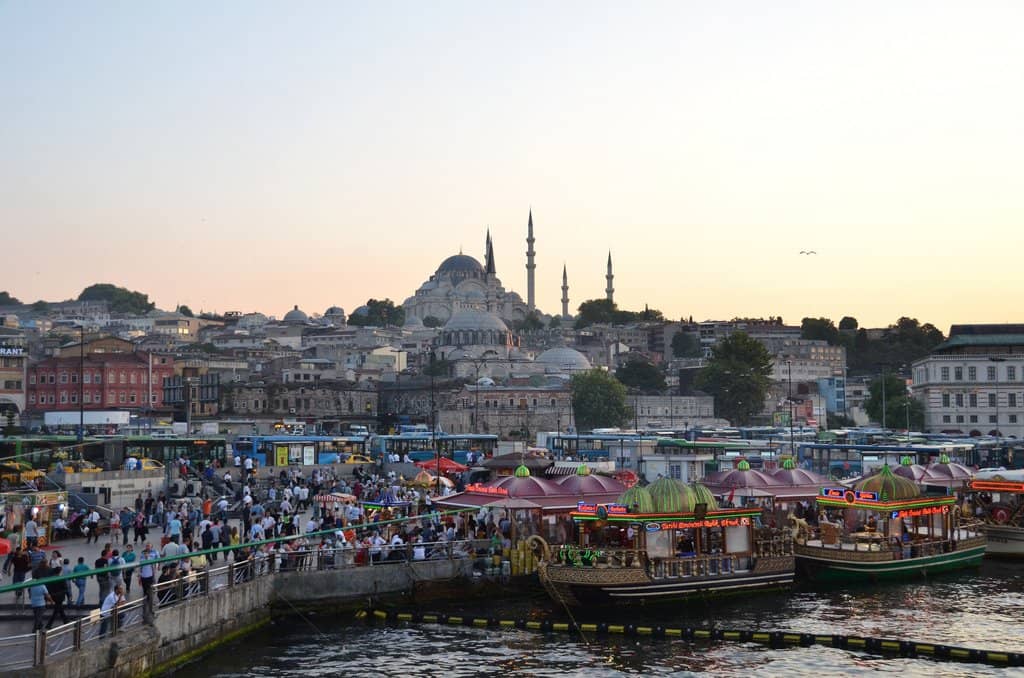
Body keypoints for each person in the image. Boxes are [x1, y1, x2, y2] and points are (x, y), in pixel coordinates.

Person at [45, 560, 69, 628]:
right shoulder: (61, 579)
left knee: (60, 609)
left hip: (53, 596)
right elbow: (65, 588)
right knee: (56, 611)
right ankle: (49, 624)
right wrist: (68, 596)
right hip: (60, 596)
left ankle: (65, 621)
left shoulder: (51, 579)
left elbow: (48, 588)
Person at [29, 567, 52, 631]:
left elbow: (30, 593)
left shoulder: (31, 585)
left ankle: (40, 625)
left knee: (37, 616)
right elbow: (47, 595)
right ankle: (35, 628)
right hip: (41, 604)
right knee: (38, 617)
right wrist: (51, 601)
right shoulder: (42, 585)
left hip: (33, 603)